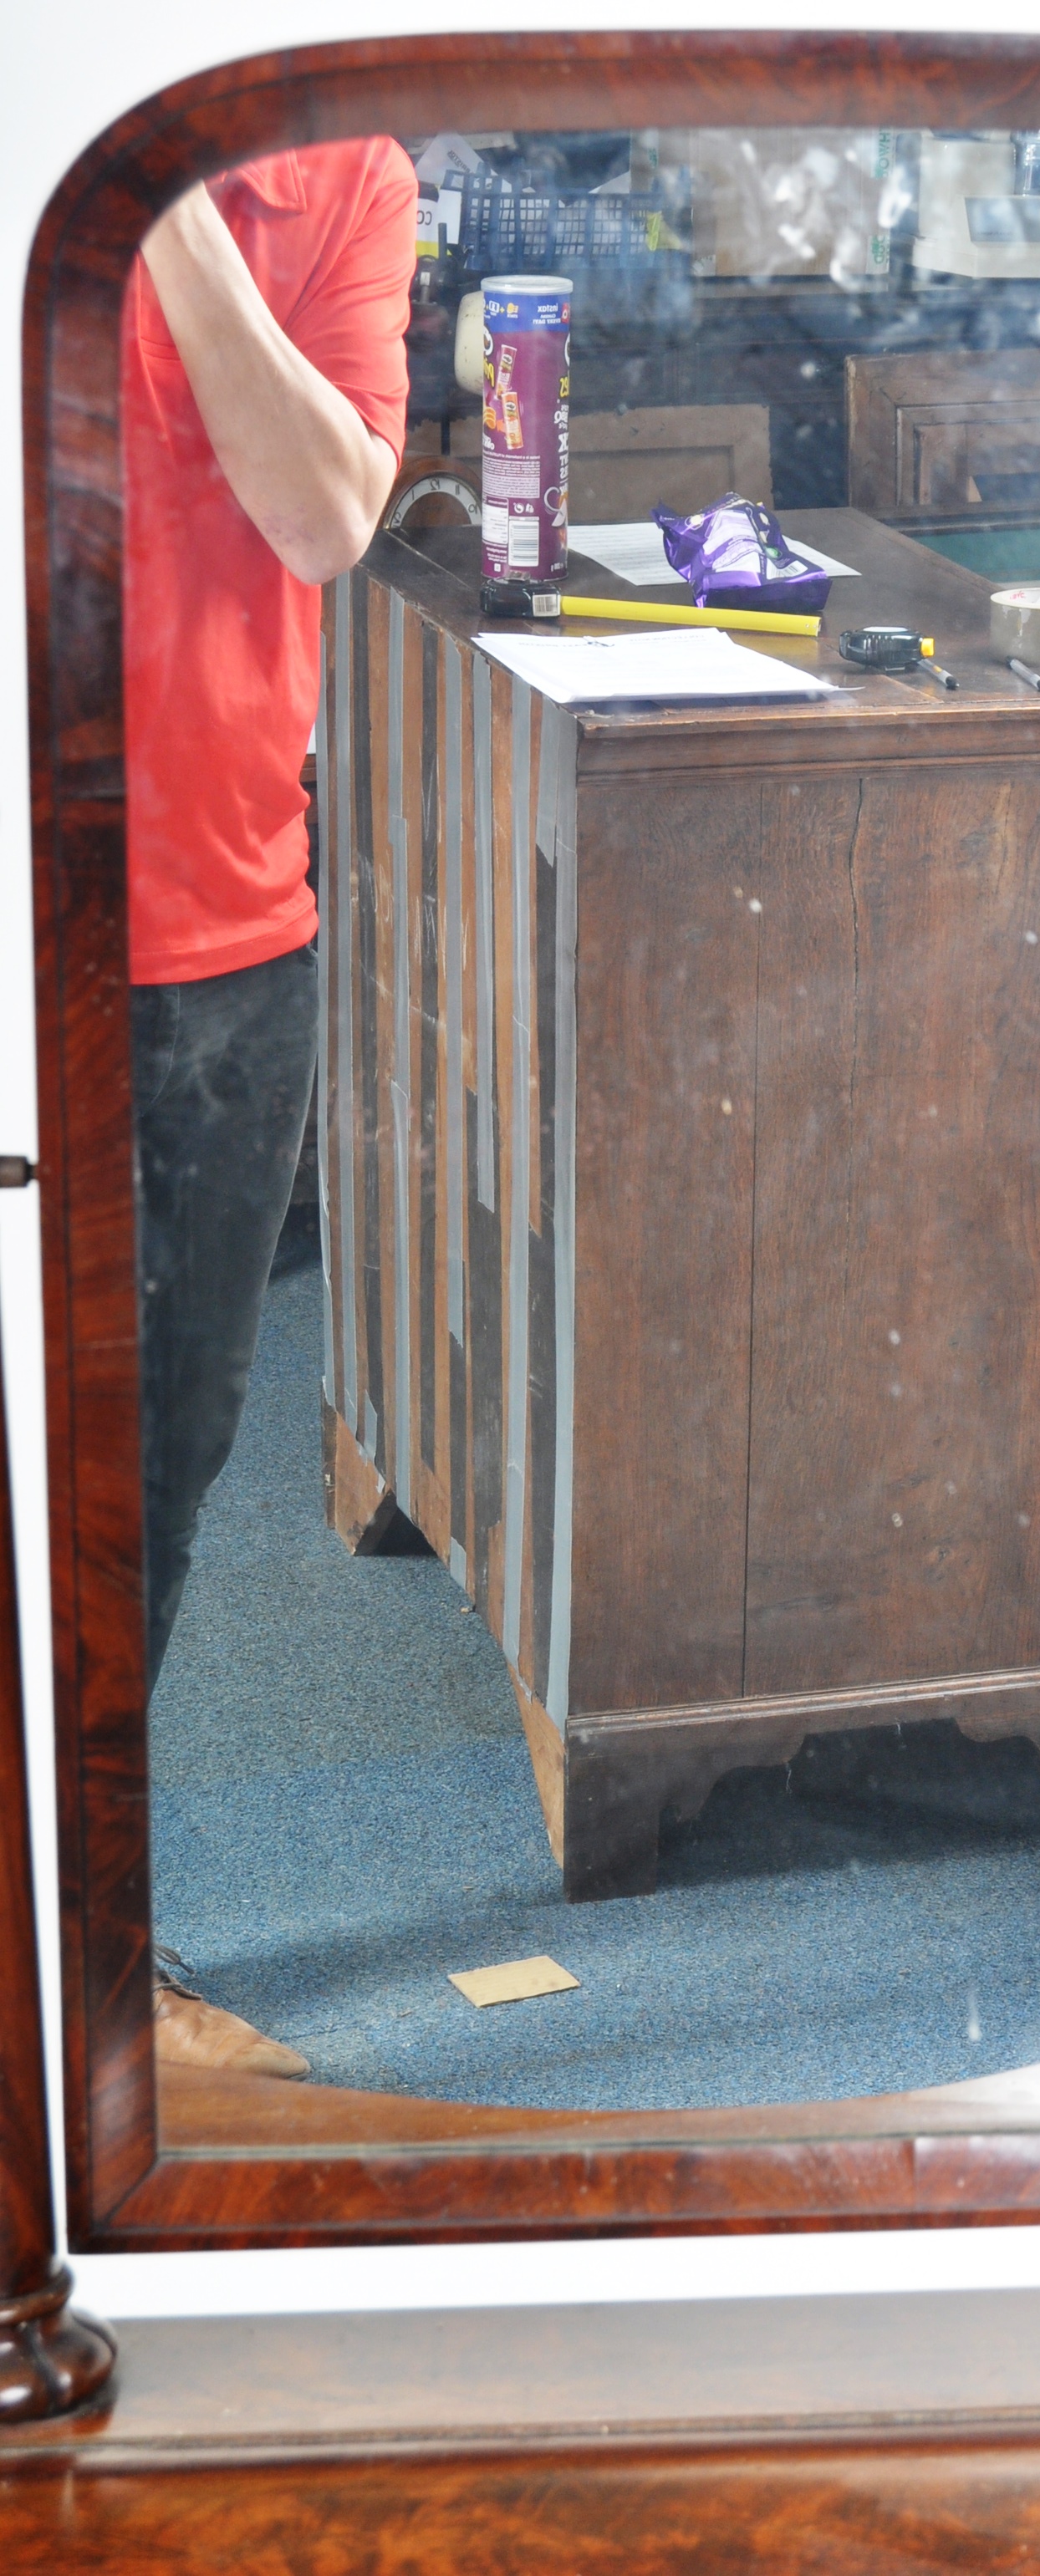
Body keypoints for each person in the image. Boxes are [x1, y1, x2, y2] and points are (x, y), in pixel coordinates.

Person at [125, 140, 416, 2078]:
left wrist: (150, 206)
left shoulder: (343, 177)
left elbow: (325, 516)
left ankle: (68, 1920)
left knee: (153, 1461)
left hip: (221, 933)